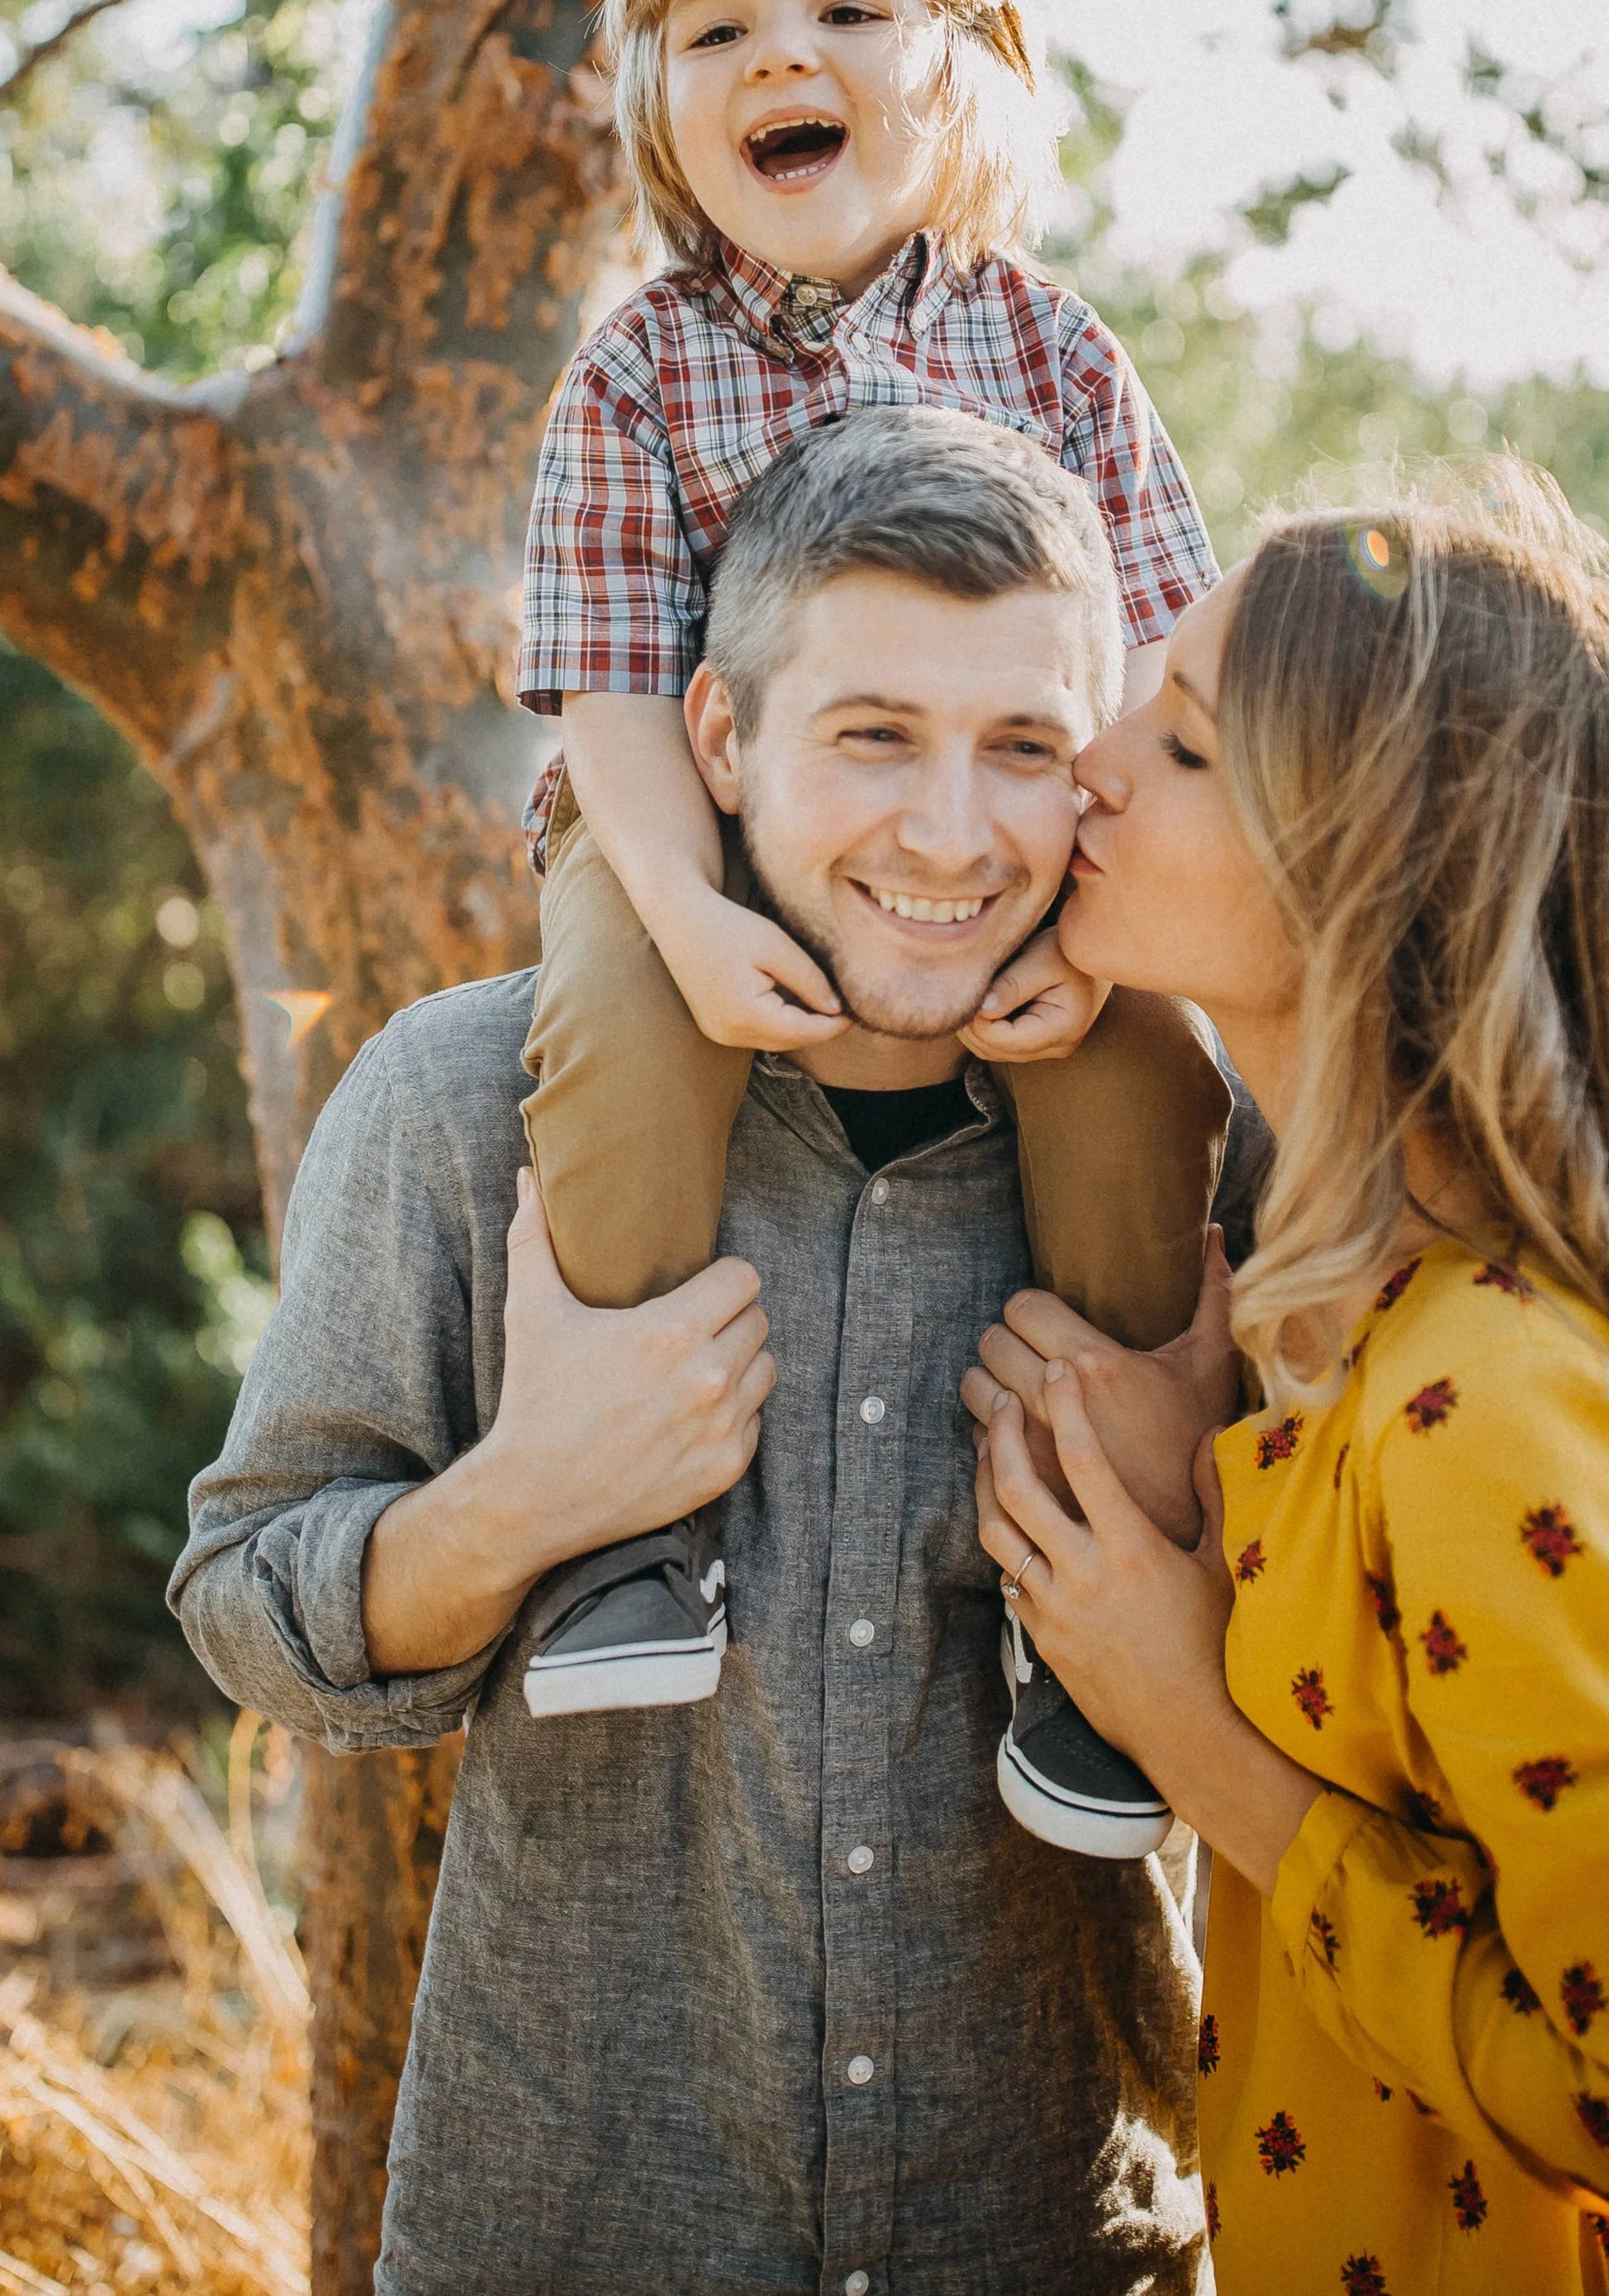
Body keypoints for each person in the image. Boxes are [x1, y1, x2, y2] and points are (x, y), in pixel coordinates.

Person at [172, 407, 1269, 2296]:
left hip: (1057, 2244)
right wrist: (523, 1505)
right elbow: (249, 1609)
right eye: (870, 739)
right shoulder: (459, 1106)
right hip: (575, 2231)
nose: (950, 831)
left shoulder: (1208, 1160)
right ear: (714, 742)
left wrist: (1196, 1532)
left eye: (1020, 748)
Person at [965, 465, 1609, 2293]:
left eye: (1177, 744)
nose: (1087, 759)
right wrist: (1221, 1489)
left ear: (1358, 872)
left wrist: (1187, 1734)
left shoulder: (1500, 1402)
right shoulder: (1352, 1331)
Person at [515, 0, 1232, 1798]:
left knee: (1136, 1081)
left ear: (965, 67)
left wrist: (1091, 944)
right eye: (716, 33)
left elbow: (1154, 676)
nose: (779, 59)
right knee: (619, 1026)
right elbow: (603, 696)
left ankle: (1088, 1553)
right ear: (663, 107)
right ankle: (623, 1531)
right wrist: (687, 909)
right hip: (694, 828)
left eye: (845, 9)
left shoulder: (1052, 353)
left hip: (1001, 852)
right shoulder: (640, 372)